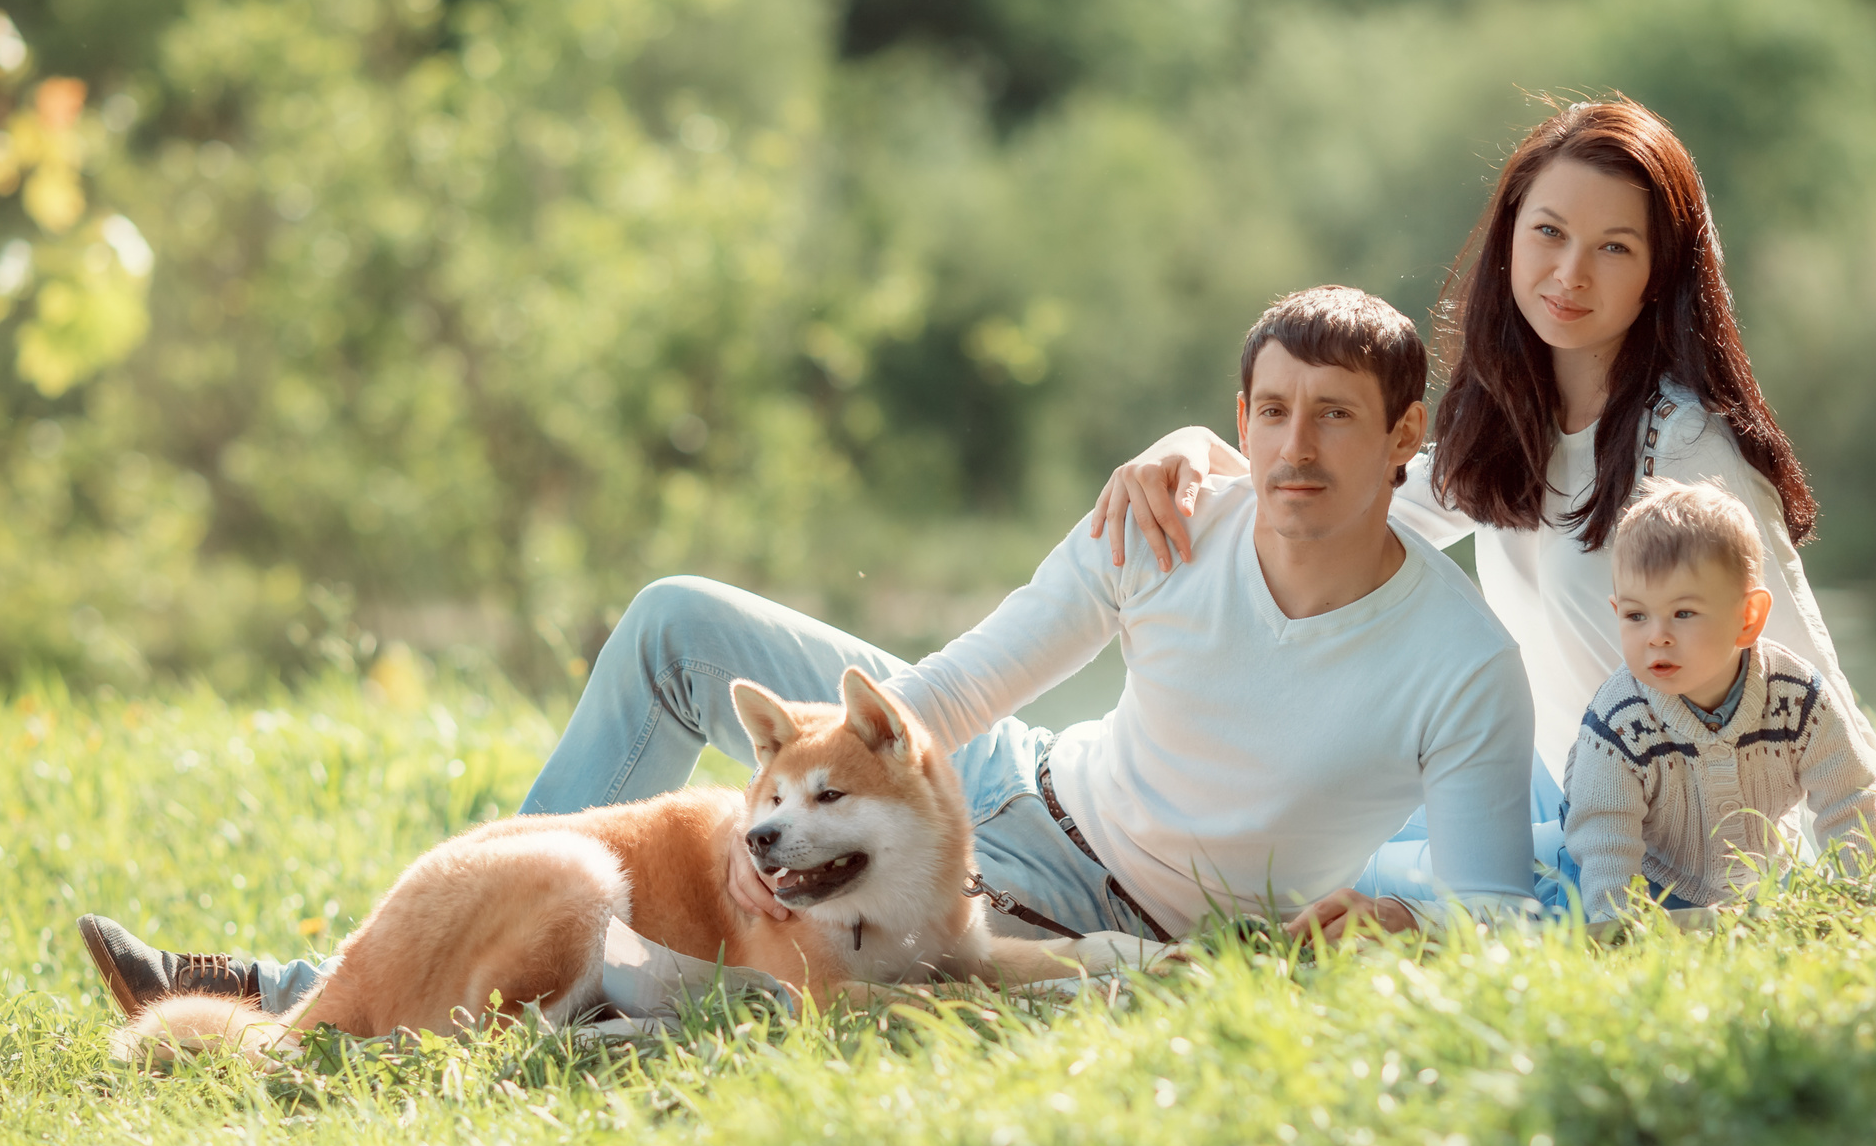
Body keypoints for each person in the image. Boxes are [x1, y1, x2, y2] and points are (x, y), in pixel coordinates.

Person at [78, 286, 1540, 1021]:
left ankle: (295, 999)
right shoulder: (1168, 518)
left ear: (1403, 439)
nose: (1297, 447)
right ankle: (354, 973)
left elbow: (1494, 908)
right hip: (1009, 789)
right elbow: (958, 691)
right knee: (671, 617)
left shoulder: (1459, 660)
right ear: (1235, 416)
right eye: (1271, 412)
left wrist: (1415, 928)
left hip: (1125, 917)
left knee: (750, 977)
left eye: (1338, 416)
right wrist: (872, 760)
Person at [1090, 97, 1876, 905]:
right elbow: (1342, 502)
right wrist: (1189, 452)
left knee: (1325, 872)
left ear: (1658, 275)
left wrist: (1865, 885)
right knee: (1298, 814)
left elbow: (1809, 679)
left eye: (1614, 247)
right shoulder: (1518, 426)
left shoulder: (1683, 448)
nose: (1570, 273)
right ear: (1508, 236)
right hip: (1566, 790)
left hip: (1673, 846)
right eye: (1548, 232)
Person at [1562, 478, 1876, 924]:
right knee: (1549, 900)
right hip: (1649, 879)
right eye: (1636, 615)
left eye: (1683, 613)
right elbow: (1605, 836)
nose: (1656, 635)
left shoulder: (1797, 699)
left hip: (1764, 879)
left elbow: (1848, 800)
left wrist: (1868, 906)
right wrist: (1618, 926)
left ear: (1748, 618)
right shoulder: (1619, 722)